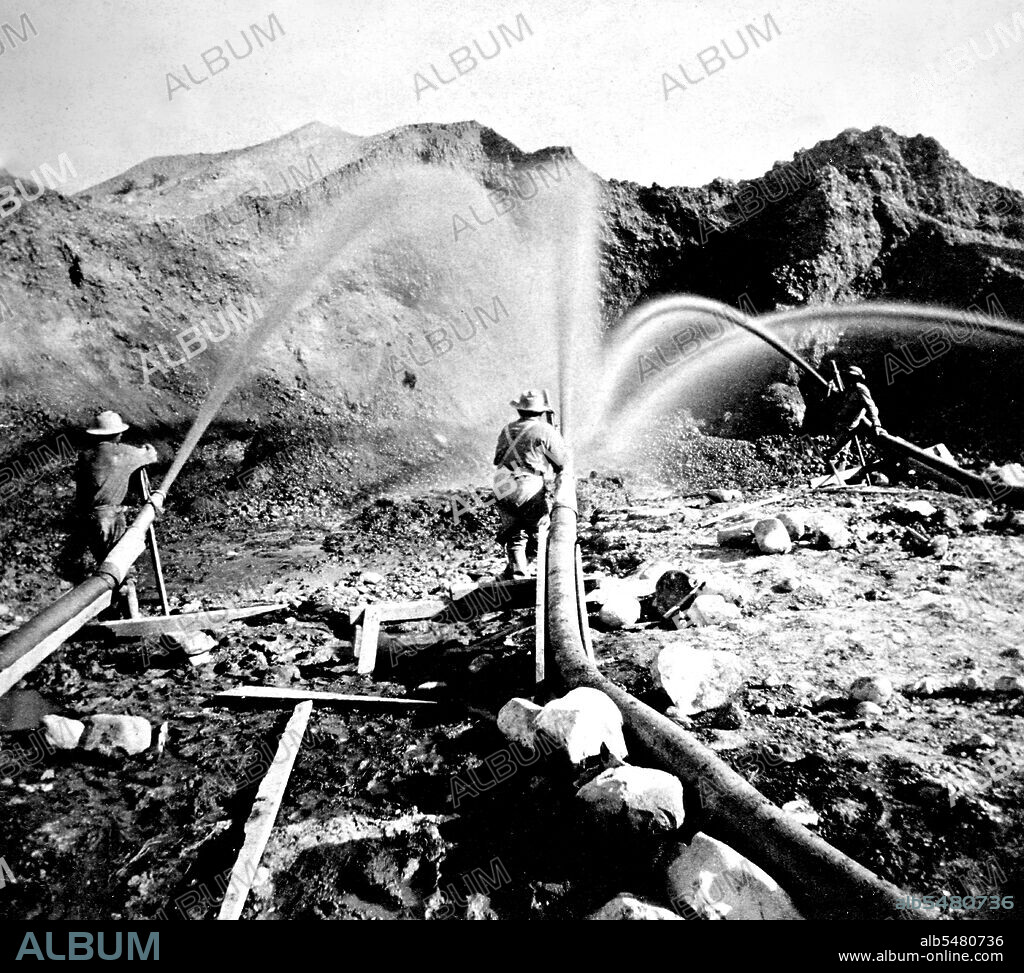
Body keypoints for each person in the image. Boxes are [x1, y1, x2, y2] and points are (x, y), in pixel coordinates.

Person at [75, 411, 158, 608]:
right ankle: (130, 610)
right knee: (122, 565)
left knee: (105, 565)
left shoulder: (85, 456)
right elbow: (152, 457)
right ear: (117, 435)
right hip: (111, 516)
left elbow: (80, 487)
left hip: (90, 517)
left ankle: (114, 608)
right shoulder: (124, 453)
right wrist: (147, 449)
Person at [492, 389, 571, 579]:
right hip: (528, 483)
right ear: (541, 412)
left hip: (502, 481)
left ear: (520, 411)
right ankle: (543, 573)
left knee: (514, 532)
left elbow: (497, 459)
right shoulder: (545, 430)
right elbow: (560, 462)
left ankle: (518, 572)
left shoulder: (507, 430)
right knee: (540, 528)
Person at [828, 365, 884, 463]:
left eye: (851, 377)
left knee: (838, 446)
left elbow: (871, 406)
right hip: (842, 421)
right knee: (841, 446)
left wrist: (876, 424)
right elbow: (842, 397)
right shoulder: (850, 388)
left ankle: (835, 461)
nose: (849, 378)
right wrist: (832, 388)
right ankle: (837, 461)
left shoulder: (861, 389)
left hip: (851, 423)